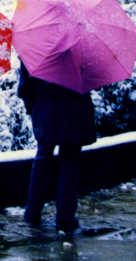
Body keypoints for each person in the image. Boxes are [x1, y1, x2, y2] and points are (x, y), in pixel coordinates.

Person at [18, 64, 96, 232]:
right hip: (74, 110)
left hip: (45, 109)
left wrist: (34, 108)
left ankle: (32, 213)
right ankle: (65, 219)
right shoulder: (81, 51)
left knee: (42, 161)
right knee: (69, 164)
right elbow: (93, 80)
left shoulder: (34, 51)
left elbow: (25, 87)